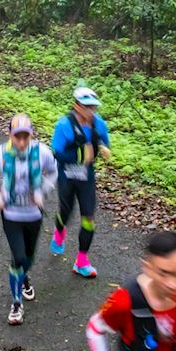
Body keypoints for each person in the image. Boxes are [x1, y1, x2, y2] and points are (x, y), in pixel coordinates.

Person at [0, 114, 57, 325]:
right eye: (17, 137)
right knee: (18, 257)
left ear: (32, 134)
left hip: (34, 214)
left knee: (28, 257)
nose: (22, 142)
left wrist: (43, 191)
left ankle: (24, 279)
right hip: (11, 214)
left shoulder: (42, 152)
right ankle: (16, 304)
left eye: (26, 137)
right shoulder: (0, 154)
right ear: (9, 135)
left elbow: (53, 171)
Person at [50, 82, 111, 278]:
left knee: (88, 216)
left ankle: (81, 261)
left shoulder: (98, 123)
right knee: (66, 211)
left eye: (94, 107)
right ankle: (59, 232)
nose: (91, 111)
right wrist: (79, 153)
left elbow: (103, 140)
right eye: (88, 107)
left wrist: (103, 147)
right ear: (77, 105)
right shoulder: (64, 125)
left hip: (86, 175)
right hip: (67, 173)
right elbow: (57, 153)